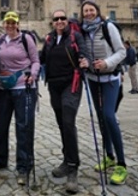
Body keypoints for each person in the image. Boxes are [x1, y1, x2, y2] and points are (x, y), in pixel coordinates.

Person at [79, 0, 128, 186]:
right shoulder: (82, 31)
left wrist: (107, 63)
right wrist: (84, 61)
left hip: (110, 79)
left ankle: (122, 164)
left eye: (91, 10)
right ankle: (109, 155)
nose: (89, 13)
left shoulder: (108, 28)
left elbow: (121, 52)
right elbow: (82, 52)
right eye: (86, 11)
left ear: (97, 12)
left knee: (109, 116)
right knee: (100, 118)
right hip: (93, 79)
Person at [40, 10, 88, 194]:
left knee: (68, 122)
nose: (59, 21)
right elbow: (42, 58)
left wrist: (85, 61)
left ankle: (73, 167)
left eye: (62, 18)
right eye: (56, 19)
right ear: (52, 22)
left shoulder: (75, 36)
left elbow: (83, 53)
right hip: (54, 86)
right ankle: (66, 160)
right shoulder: (50, 39)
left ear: (67, 21)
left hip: (71, 84)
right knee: (62, 124)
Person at [0, 11, 40, 186]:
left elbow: (35, 61)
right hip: (4, 88)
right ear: (3, 24)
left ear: (18, 24)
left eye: (13, 22)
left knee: (24, 127)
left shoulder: (27, 40)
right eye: (7, 22)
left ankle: (24, 166)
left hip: (24, 88)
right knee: (0, 124)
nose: (10, 25)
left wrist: (33, 74)